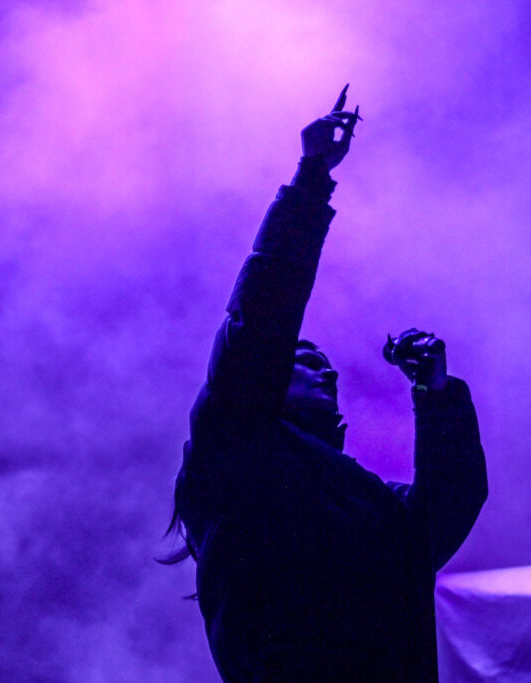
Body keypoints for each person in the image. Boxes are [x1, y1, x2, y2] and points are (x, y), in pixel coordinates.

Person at [166, 86, 487, 682]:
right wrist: (311, 180)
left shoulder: (370, 501)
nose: (331, 371)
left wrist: (438, 399)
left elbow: (446, 509)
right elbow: (263, 314)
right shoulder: (234, 448)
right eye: (304, 358)